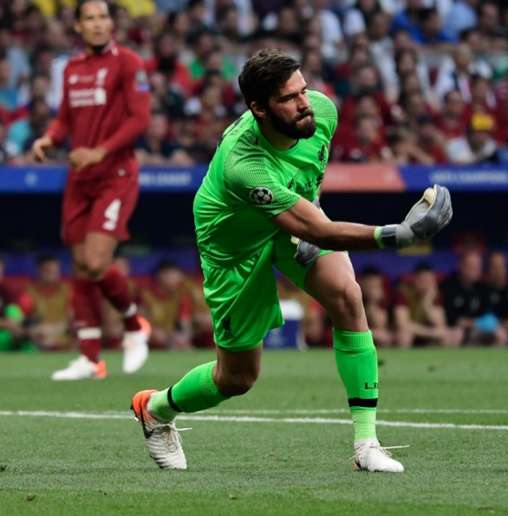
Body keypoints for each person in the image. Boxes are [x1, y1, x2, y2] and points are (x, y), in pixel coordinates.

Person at [129, 49, 452, 473]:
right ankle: (155, 408)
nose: (304, 103)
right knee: (237, 379)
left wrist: (309, 210)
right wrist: (397, 235)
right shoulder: (243, 164)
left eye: (303, 89)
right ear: (259, 109)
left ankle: (366, 444)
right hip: (233, 249)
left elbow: (309, 184)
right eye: (289, 98)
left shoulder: (322, 112)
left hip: (290, 222)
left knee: (347, 297)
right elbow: (318, 229)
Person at [31, 0, 151, 380]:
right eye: (91, 19)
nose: (99, 24)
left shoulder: (128, 63)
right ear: (78, 27)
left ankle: (134, 326)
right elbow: (65, 118)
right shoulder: (71, 68)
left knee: (98, 262)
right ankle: (90, 357)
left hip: (115, 173)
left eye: (104, 17)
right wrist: (49, 139)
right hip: (79, 178)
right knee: (81, 266)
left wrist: (99, 150)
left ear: (111, 23)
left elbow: (140, 119)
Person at [441, 250, 508, 346]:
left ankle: (494, 360)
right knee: (457, 334)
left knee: (500, 333)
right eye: (471, 267)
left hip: (477, 330)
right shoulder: (449, 287)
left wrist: (478, 324)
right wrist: (474, 323)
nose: (476, 270)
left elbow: (488, 315)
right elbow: (451, 319)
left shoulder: (483, 288)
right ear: (461, 266)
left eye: (478, 266)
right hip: (455, 329)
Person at [393, 262, 455, 348]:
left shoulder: (435, 296)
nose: (427, 284)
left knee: (447, 335)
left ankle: (439, 361)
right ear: (415, 279)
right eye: (423, 280)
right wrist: (431, 333)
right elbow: (403, 324)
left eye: (430, 280)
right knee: (405, 335)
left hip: (424, 333)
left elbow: (440, 324)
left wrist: (427, 302)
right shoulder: (404, 293)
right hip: (412, 333)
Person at [26, 254, 72, 350]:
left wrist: (58, 328)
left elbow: (73, 316)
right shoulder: (28, 291)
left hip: (64, 336)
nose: (51, 274)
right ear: (38, 270)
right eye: (47, 270)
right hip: (37, 338)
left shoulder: (68, 291)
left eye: (54, 270)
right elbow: (24, 318)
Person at [358, 266, 393, 347]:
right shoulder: (354, 297)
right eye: (369, 286)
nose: (372, 290)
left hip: (378, 332)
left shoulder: (384, 299)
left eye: (376, 286)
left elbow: (379, 325)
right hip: (356, 332)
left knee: (383, 335)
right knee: (381, 336)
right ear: (361, 283)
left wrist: (373, 302)